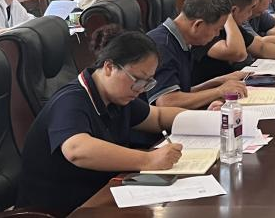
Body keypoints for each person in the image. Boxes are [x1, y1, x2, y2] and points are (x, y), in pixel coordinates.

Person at [17, 28, 188, 216]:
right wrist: (149, 160)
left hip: (101, 194)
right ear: (109, 67)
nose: (140, 89)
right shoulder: (71, 100)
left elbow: (158, 117)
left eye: (148, 83)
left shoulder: (117, 97)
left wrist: (209, 119)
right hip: (61, 209)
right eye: (138, 80)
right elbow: (76, 149)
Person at [146, 0, 249, 109]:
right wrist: (219, 91)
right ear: (198, 25)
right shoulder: (162, 45)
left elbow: (183, 92)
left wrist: (218, 82)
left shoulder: (181, 41)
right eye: (217, 29)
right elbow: (167, 102)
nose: (217, 34)